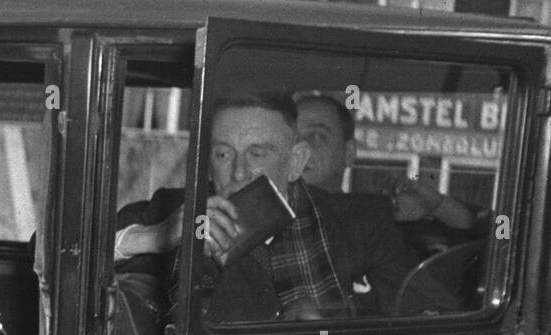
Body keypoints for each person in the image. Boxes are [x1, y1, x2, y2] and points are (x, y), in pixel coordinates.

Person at [113, 90, 444, 320]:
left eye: (258, 154)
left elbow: (431, 317)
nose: (239, 171)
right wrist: (150, 237)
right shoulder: (175, 211)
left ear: (296, 161)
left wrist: (338, 322)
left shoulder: (360, 222)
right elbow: (79, 257)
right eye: (223, 153)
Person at [294, 92, 484, 257]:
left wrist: (438, 206)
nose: (299, 148)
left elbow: (492, 245)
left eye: (316, 136)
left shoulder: (380, 224)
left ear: (349, 152)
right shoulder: (266, 219)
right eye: (292, 138)